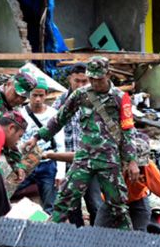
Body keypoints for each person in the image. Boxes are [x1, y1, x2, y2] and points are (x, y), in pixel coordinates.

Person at [24, 56, 139, 230]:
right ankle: (50, 235)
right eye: (90, 78)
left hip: (108, 159)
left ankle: (128, 244)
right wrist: (37, 137)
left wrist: (131, 160)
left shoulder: (120, 98)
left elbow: (128, 130)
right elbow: (59, 119)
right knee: (65, 198)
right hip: (84, 157)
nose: (93, 82)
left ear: (108, 74)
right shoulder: (81, 94)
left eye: (97, 79)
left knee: (117, 205)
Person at [96, 132, 160, 231]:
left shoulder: (148, 169)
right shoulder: (113, 162)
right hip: (112, 200)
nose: (137, 168)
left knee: (140, 237)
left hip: (137, 201)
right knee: (97, 232)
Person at [53, 63, 102, 227]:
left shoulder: (95, 103)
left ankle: (98, 240)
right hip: (68, 164)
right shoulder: (59, 103)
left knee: (95, 204)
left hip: (90, 163)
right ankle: (79, 241)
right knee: (72, 207)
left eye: (84, 82)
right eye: (77, 81)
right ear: (70, 79)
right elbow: (52, 128)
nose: (80, 85)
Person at [14, 77, 65, 213]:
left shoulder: (53, 115)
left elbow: (60, 144)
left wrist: (60, 172)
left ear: (46, 95)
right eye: (34, 95)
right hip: (26, 161)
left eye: (41, 95)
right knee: (8, 192)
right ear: (29, 95)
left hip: (47, 162)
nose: (37, 99)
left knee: (50, 204)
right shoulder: (20, 113)